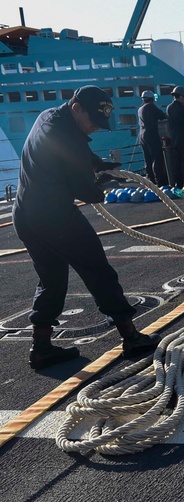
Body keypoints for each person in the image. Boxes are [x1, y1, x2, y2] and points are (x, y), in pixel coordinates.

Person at [12, 86, 161, 370]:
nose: (95, 126)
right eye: (92, 120)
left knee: (51, 279)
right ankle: (130, 337)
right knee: (98, 271)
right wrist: (101, 183)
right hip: (55, 217)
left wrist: (96, 163)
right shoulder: (69, 138)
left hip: (26, 215)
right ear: (76, 107)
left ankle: (41, 348)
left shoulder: (48, 117)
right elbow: (89, 193)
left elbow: (71, 152)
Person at [138, 89, 168, 186]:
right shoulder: (151, 107)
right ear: (151, 99)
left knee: (148, 159)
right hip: (151, 134)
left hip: (142, 135)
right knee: (157, 158)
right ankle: (160, 182)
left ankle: (150, 181)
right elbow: (163, 115)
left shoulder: (140, 108)